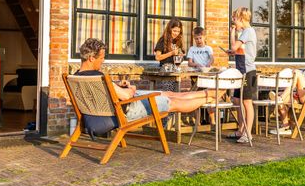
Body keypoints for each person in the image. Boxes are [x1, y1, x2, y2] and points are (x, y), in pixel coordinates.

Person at [75, 38, 218, 136]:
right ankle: (209, 97)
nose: (103, 61)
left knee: (168, 93)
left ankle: (208, 93)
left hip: (118, 106)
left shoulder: (76, 77)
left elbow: (98, 94)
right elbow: (126, 96)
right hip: (127, 109)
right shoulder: (99, 77)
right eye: (101, 58)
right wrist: (131, 88)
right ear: (91, 58)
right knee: (173, 102)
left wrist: (117, 86)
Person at [226, 7, 257, 144]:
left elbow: (234, 46)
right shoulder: (245, 33)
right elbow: (237, 50)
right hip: (241, 72)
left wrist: (232, 32)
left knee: (247, 102)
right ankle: (240, 130)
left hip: (248, 72)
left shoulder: (248, 31)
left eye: (235, 20)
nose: (234, 22)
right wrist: (232, 51)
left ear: (241, 19)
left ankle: (248, 133)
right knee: (237, 100)